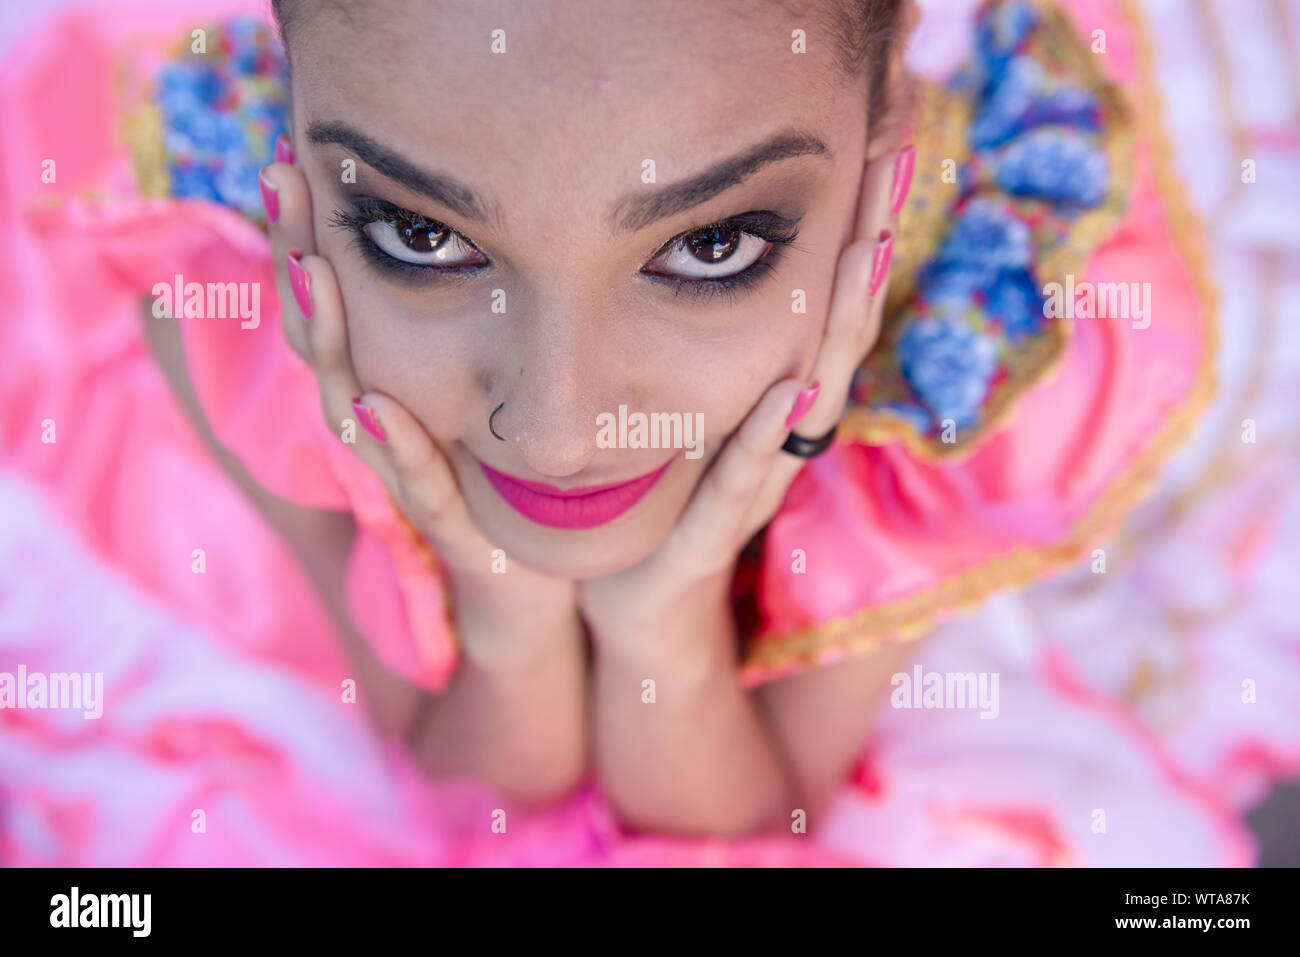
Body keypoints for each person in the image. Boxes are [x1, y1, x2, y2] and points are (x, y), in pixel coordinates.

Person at [0, 0, 1237, 865]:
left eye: (711, 245)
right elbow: (480, 800)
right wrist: (508, 613)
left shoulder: (953, 325)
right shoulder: (236, 256)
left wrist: (663, 620)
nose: (556, 430)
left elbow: (750, 824)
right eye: (422, 237)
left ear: (882, 144)